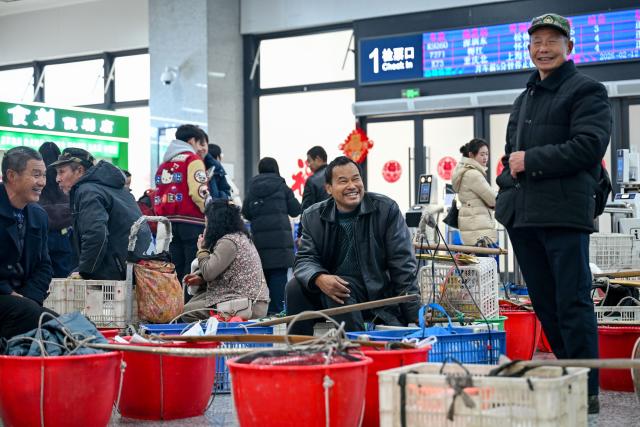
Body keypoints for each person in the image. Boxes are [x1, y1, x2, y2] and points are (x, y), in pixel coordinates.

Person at [494, 13, 611, 413]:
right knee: (544, 303)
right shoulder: (524, 97)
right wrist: (506, 194)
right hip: (525, 218)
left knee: (573, 302)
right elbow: (511, 158)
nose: (542, 48)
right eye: (536, 42)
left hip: (563, 214)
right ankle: (568, 376)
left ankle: (587, 390)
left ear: (569, 47)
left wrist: (531, 161)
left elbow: (589, 146)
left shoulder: (588, 91)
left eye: (551, 41)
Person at [285, 156, 420, 335]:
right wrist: (319, 278)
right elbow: (304, 258)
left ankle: (356, 352)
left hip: (375, 292)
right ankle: (302, 353)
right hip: (332, 287)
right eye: (343, 181)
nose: (352, 186)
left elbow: (403, 264)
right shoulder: (312, 216)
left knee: (341, 292)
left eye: (356, 179)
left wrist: (414, 315)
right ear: (329, 189)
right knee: (294, 287)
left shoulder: (386, 210)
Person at [52, 147, 151, 280]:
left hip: (117, 269)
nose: (58, 179)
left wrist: (85, 271)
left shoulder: (88, 191)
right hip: (135, 265)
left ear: (79, 170)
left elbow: (96, 234)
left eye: (61, 172)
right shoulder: (109, 186)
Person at [181, 199, 269, 322]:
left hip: (247, 305)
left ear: (215, 224)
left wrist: (202, 249)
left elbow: (209, 273)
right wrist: (200, 280)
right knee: (194, 301)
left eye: (207, 224)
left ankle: (212, 340)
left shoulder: (229, 242)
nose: (205, 228)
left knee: (186, 312)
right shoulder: (239, 236)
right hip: (244, 299)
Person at [0, 147, 56, 339]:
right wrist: (8, 292)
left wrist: (29, 298)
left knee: (62, 327)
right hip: (5, 298)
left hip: (24, 303)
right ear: (11, 175)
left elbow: (44, 265)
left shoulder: (38, 215)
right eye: (35, 175)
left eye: (44, 175)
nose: (42, 182)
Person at [242, 157, 301, 314]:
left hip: (260, 244)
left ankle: (263, 315)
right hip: (280, 245)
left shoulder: (252, 188)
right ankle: (277, 315)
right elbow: (296, 209)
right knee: (279, 279)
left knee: (263, 280)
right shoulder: (282, 186)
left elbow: (246, 212)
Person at [153, 124, 209, 281]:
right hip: (191, 221)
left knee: (175, 268)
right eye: (200, 143)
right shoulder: (193, 160)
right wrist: (209, 211)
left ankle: (175, 304)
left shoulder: (164, 164)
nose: (201, 149)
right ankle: (188, 305)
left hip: (167, 223)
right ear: (192, 141)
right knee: (192, 268)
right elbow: (199, 192)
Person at [38, 142, 77, 277]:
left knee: (40, 273)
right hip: (63, 235)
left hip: (41, 234)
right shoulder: (63, 177)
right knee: (62, 276)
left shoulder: (38, 179)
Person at [451, 138, 497, 246]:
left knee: (475, 262)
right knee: (484, 261)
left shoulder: (465, 171)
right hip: (479, 231)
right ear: (471, 155)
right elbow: (493, 199)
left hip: (472, 227)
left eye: (487, 154)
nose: (485, 157)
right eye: (482, 154)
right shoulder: (473, 174)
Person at [208, 143, 242, 207]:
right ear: (218, 157)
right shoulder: (221, 173)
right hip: (221, 209)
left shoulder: (206, 170)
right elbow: (233, 193)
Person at [300, 146, 330, 213]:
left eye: (309, 161)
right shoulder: (336, 174)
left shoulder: (312, 180)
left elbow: (306, 210)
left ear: (318, 159)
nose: (308, 165)